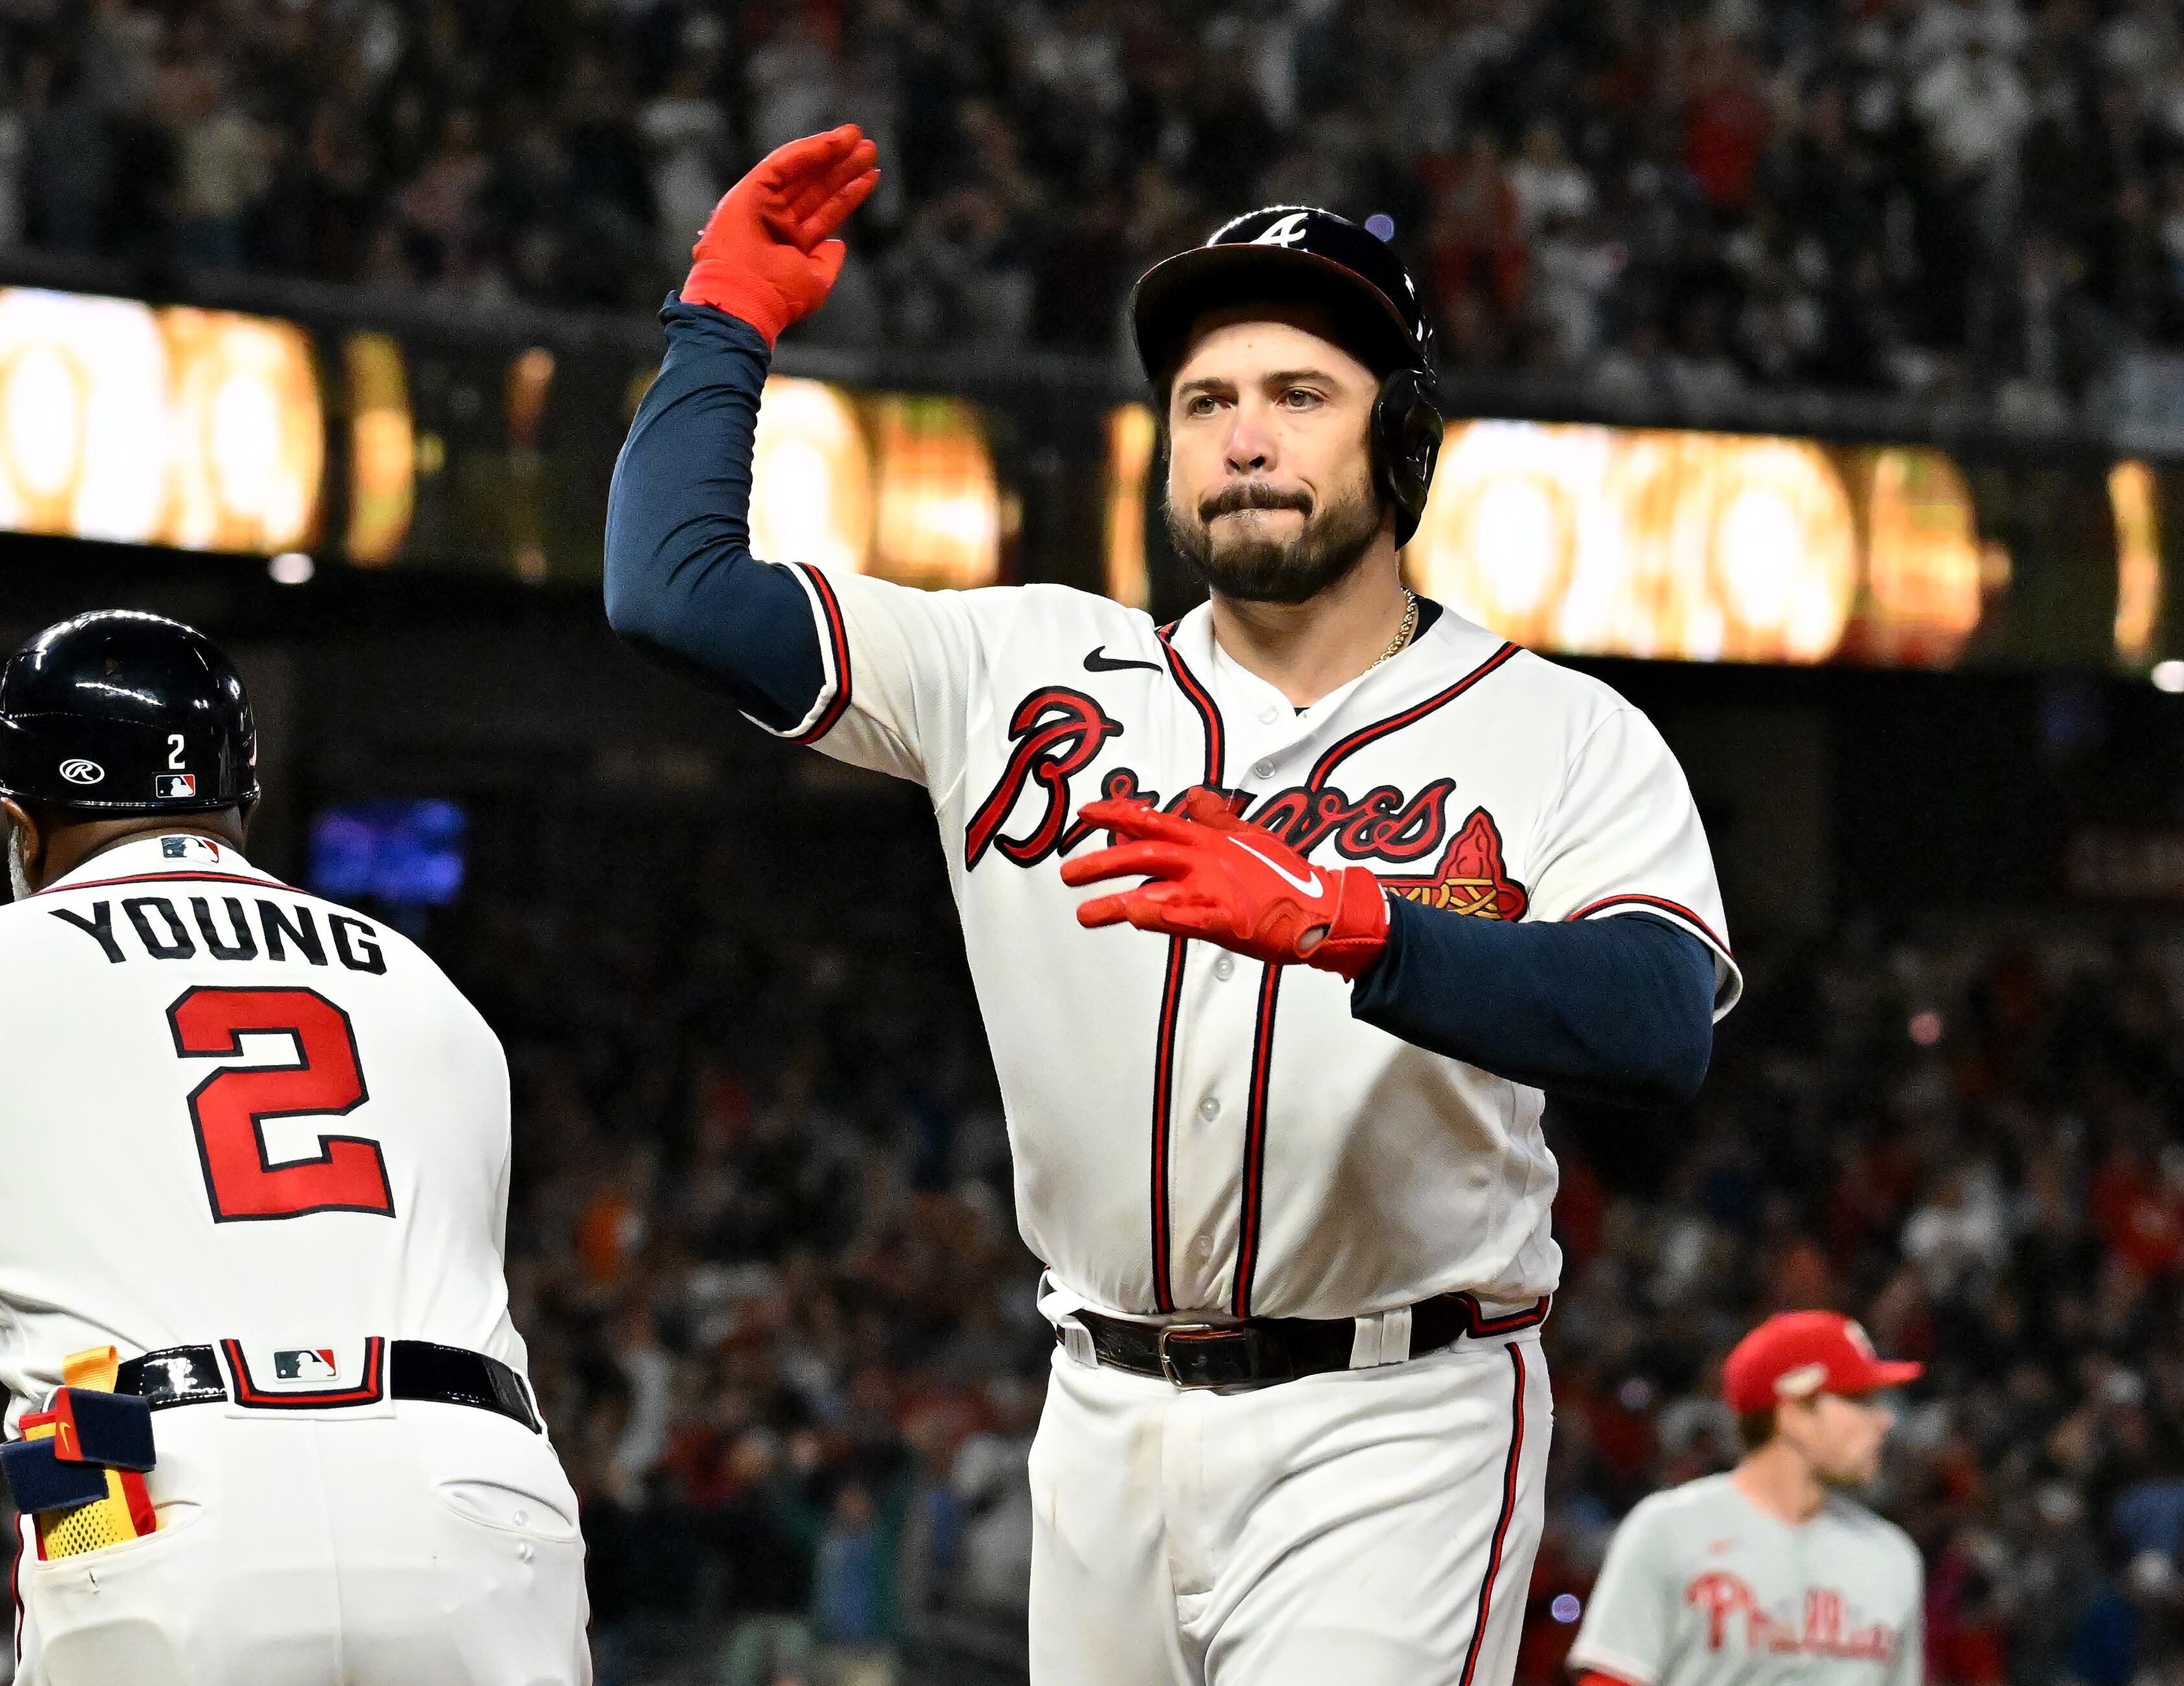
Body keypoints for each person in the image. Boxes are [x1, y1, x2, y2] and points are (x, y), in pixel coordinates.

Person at [605, 127, 1736, 1684]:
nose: (1243, 437)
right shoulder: (1015, 667)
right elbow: (668, 591)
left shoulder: (1554, 729)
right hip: (1098, 1413)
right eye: (1206, 402)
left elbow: (1657, 1020)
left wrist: (1356, 924)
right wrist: (719, 322)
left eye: (1300, 396)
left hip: (1396, 1419)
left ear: (1403, 444)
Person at [0, 611, 589, 1685]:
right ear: (243, 803)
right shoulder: (429, 991)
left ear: (23, 819)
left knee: (76, 1442)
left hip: (142, 1475)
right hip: (479, 1484)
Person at [1568, 1312, 1925, 1685]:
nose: (1884, 1420)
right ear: (1795, 1414)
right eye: (1860, 1400)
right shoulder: (1671, 1531)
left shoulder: (1892, 1556)